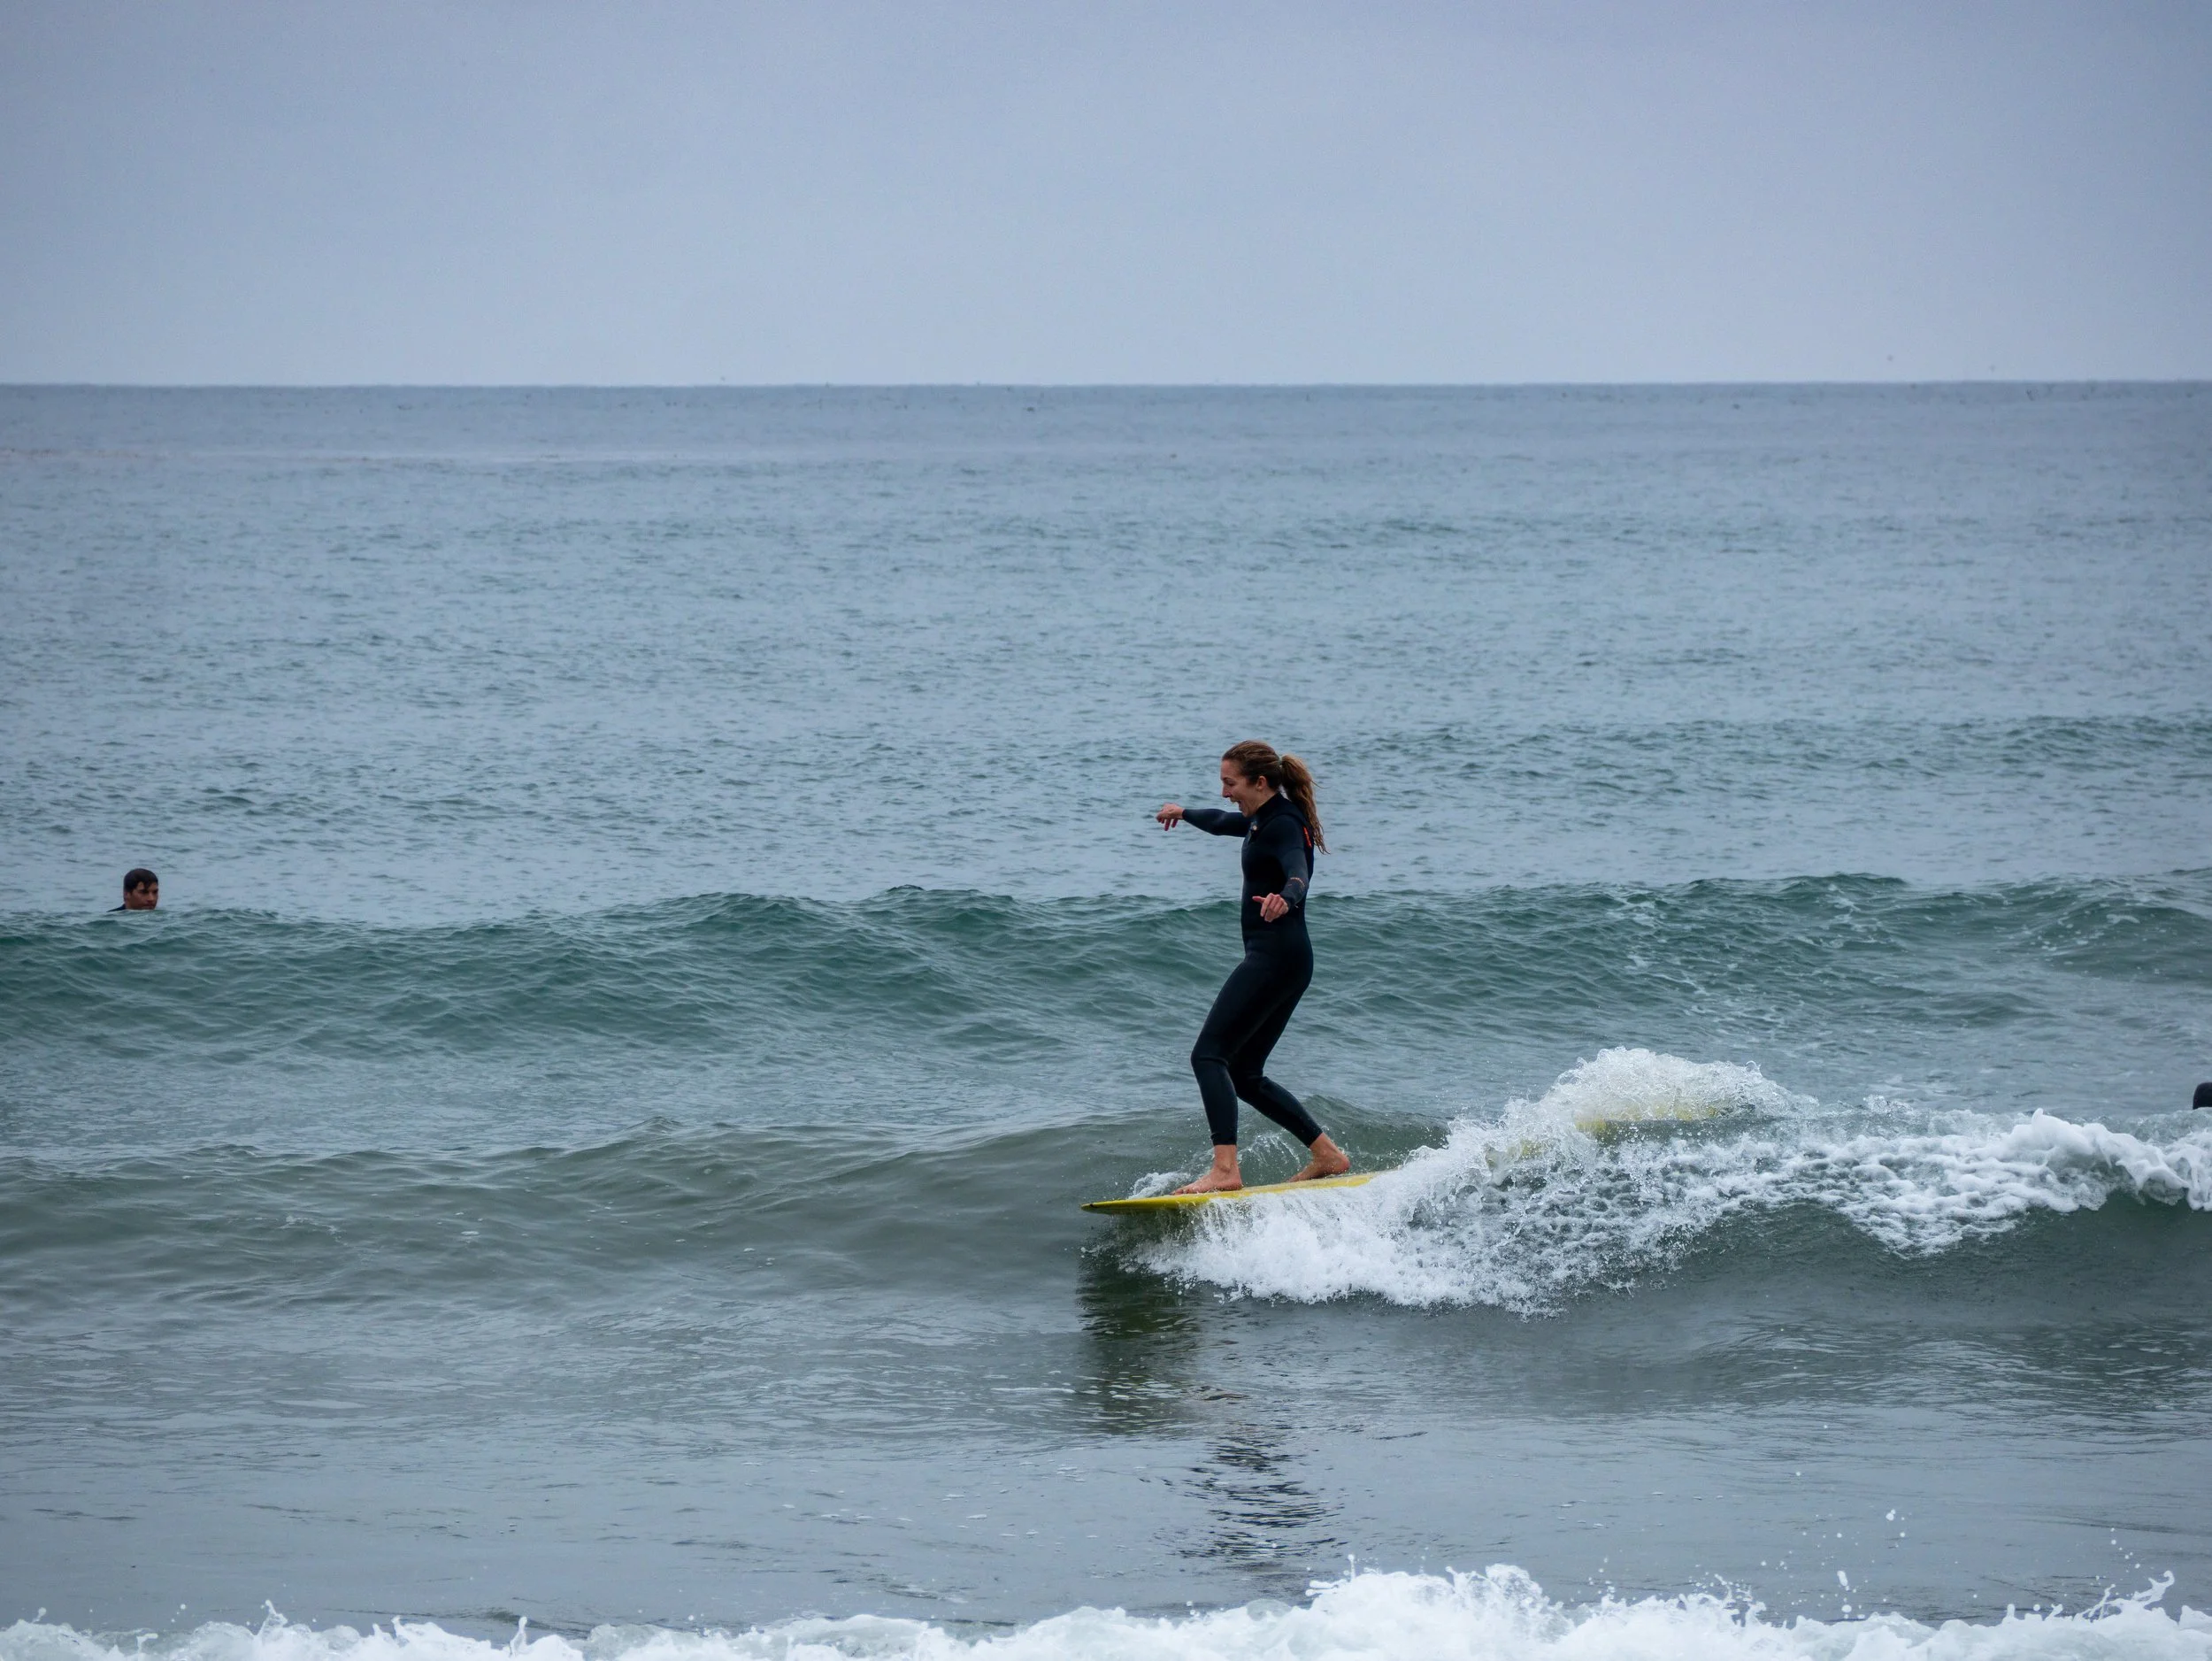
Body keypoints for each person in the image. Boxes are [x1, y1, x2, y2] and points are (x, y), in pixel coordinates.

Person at [1155, 741, 1351, 1194]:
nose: (1225, 792)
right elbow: (1225, 822)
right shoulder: (1262, 817)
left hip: (1276, 958)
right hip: (1286, 960)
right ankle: (1327, 1154)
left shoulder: (1283, 825)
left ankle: (1225, 1170)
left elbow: (1297, 869)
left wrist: (1289, 896)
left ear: (1259, 782)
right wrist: (1183, 812)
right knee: (1244, 1075)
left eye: (1230, 783)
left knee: (1208, 1056)